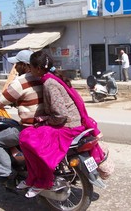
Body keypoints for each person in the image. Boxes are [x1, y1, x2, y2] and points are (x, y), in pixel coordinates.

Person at [17, 50, 105, 198]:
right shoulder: (53, 78)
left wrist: (45, 120)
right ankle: (32, 178)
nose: (30, 71)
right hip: (71, 123)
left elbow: (61, 114)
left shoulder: (49, 83)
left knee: (26, 138)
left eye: (31, 67)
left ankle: (42, 180)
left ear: (38, 69)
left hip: (69, 127)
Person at [0, 49, 44, 186]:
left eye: (16, 64)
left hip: (30, 127)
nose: (14, 67)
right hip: (45, 125)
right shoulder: (41, 78)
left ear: (24, 65)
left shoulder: (21, 82)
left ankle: (6, 174)